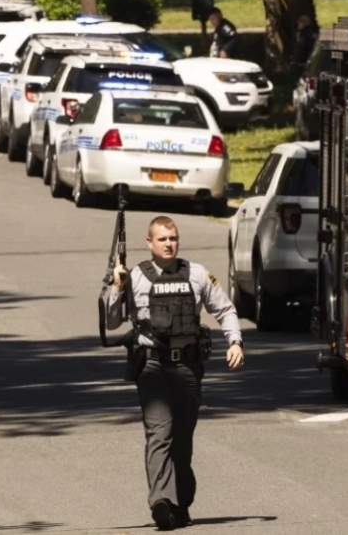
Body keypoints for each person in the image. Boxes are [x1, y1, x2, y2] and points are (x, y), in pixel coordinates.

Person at [106, 217, 244, 531]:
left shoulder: (196, 274)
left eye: (174, 238)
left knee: (182, 441)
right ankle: (160, 502)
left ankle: (180, 504)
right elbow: (113, 322)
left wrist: (234, 341)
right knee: (159, 434)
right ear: (149, 242)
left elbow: (225, 310)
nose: (169, 243)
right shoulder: (136, 276)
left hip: (188, 369)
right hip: (152, 367)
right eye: (163, 238)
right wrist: (116, 286)